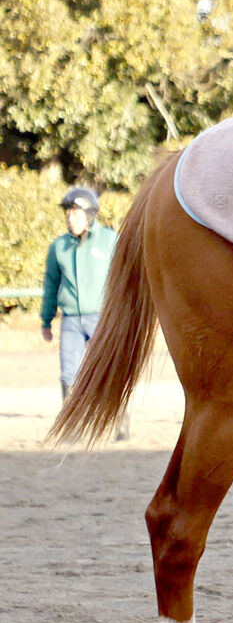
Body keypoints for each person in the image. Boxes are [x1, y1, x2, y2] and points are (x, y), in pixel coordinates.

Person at [41, 186, 128, 438]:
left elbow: (126, 278)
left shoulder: (110, 240)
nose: (71, 218)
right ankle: (71, 427)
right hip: (71, 320)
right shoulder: (58, 247)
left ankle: (120, 423)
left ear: (90, 215)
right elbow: (50, 284)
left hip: (102, 318)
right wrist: (46, 319)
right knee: (69, 372)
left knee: (110, 370)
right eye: (68, 214)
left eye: (76, 214)